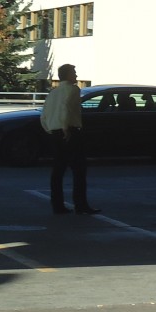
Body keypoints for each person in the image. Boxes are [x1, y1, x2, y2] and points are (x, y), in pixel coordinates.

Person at [40, 63, 100, 216]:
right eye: (74, 72)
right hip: (70, 132)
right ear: (67, 75)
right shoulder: (73, 90)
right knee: (79, 170)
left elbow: (44, 115)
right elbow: (66, 108)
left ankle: (57, 205)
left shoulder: (53, 92)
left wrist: (50, 129)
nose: (76, 75)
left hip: (54, 132)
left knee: (58, 170)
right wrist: (66, 128)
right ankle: (80, 204)